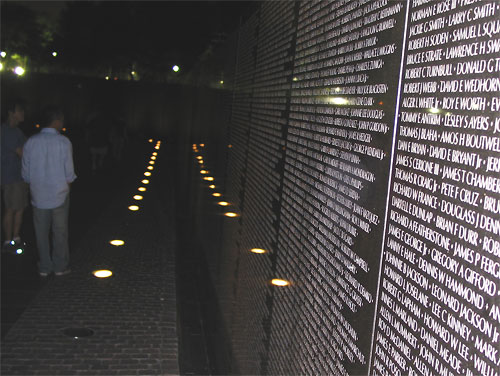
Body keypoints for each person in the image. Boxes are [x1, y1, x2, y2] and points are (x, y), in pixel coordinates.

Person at [22, 106, 77, 277]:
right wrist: (68, 187)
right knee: (60, 231)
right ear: (57, 121)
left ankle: (44, 265)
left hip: (38, 193)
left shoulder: (31, 141)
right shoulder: (63, 142)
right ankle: (60, 265)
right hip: (59, 193)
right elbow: (69, 172)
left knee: (41, 232)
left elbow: (26, 172)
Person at [1, 98, 29, 252]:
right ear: (11, 113)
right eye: (20, 110)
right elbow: (22, 153)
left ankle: (15, 238)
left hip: (18, 176)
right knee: (11, 208)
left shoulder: (17, 130)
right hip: (10, 176)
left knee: (19, 207)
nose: (23, 113)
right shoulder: (8, 131)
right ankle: (7, 240)